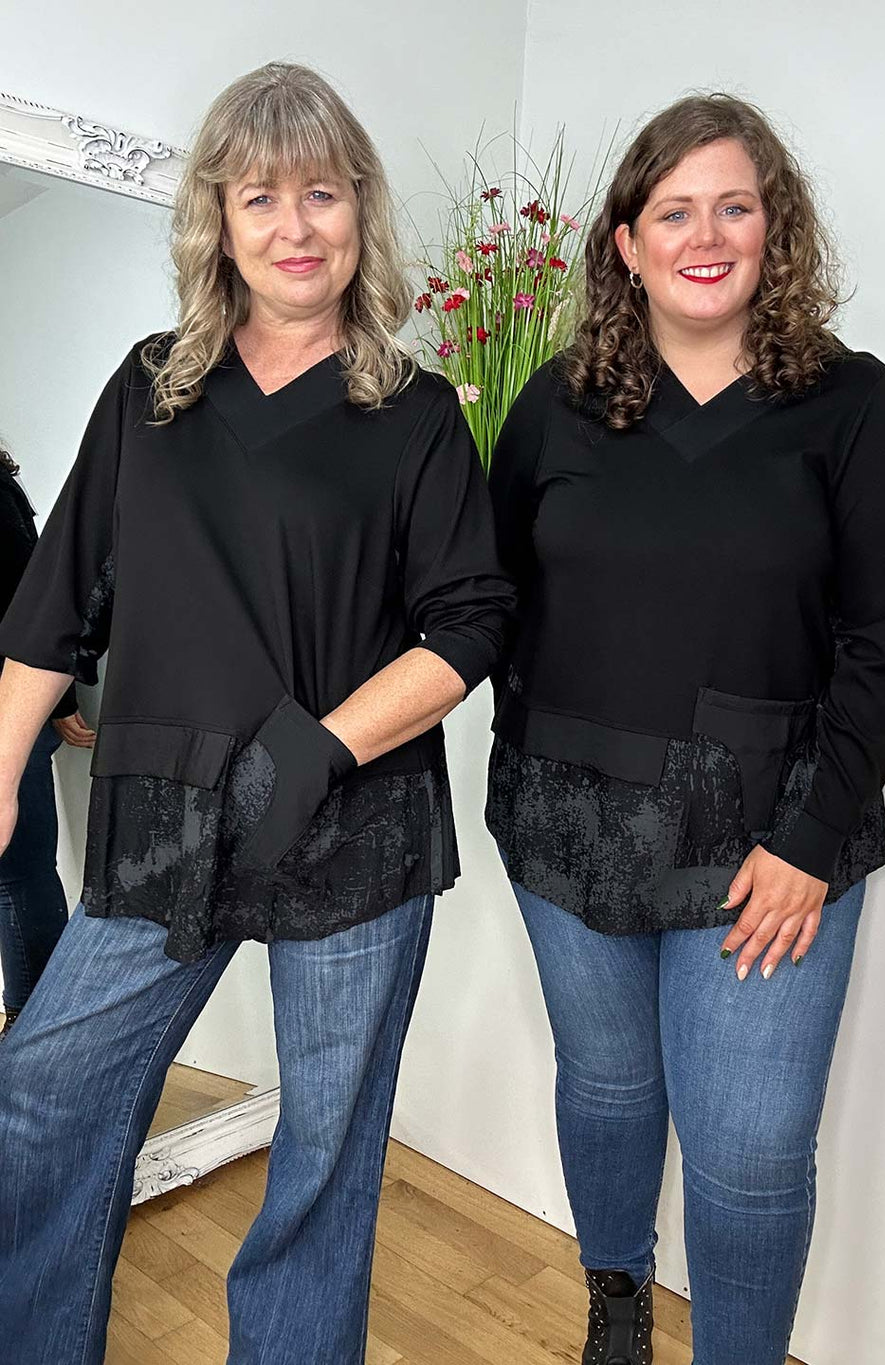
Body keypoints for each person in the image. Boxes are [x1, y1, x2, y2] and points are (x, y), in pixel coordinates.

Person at [0, 62, 513, 1364]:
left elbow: (471, 622)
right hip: (162, 820)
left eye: (323, 192)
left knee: (328, 1153)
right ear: (218, 221)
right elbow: (53, 604)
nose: (296, 226)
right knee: (44, 1098)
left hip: (353, 827)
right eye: (261, 196)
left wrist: (323, 743)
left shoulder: (413, 416)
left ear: (360, 212)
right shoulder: (150, 391)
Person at [485, 93, 885, 1365]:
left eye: (732, 206)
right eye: (672, 209)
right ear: (625, 242)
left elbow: (883, 641)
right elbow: (479, 591)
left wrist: (810, 837)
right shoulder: (558, 406)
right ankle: (616, 1300)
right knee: (610, 1091)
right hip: (568, 830)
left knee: (745, 1152)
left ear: (771, 228)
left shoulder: (851, 407)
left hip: (768, 847)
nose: (704, 233)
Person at [0, 444, 94, 1038]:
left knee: (16, 873)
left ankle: (36, 1032)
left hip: (9, 712)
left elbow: (36, 612)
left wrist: (57, 705)